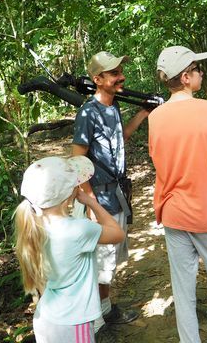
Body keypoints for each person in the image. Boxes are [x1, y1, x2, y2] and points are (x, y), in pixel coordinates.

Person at [148, 45, 207, 343]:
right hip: (206, 212)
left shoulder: (155, 117)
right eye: (198, 69)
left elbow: (162, 159)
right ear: (186, 77)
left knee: (182, 287)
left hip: (173, 212)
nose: (202, 73)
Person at [71, 51, 149, 339]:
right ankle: (95, 326)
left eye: (120, 71)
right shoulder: (87, 113)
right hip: (100, 200)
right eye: (114, 73)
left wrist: (142, 113)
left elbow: (121, 138)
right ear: (98, 79)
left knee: (109, 261)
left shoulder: (113, 107)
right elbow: (78, 160)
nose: (121, 77)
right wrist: (90, 203)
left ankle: (104, 309)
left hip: (116, 195)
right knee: (100, 263)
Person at [14, 155, 125, 343]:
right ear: (70, 194)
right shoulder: (79, 229)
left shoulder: (34, 228)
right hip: (74, 322)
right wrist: (91, 202)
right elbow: (117, 233)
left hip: (46, 319)